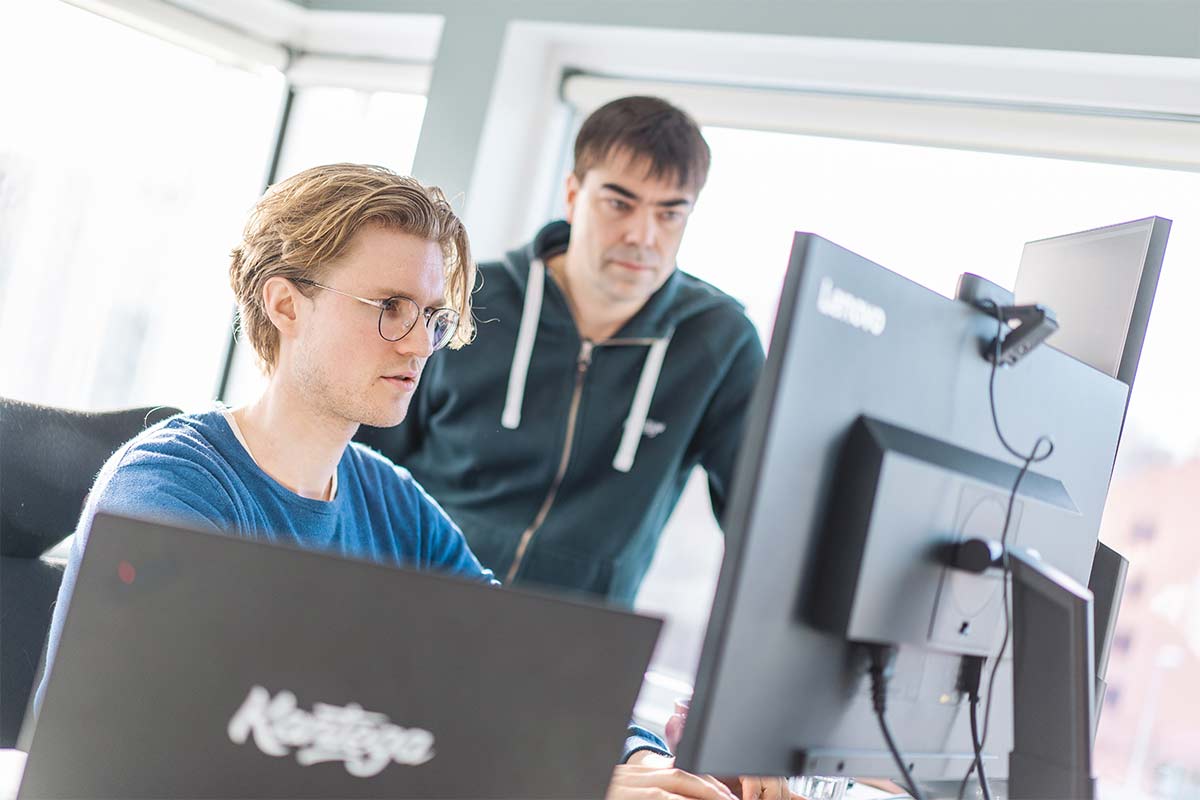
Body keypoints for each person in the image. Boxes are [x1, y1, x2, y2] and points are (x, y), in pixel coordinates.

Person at [31, 163, 779, 800]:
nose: (422, 344)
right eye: (390, 308)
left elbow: (523, 661)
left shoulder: (392, 502)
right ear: (286, 303)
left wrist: (638, 757)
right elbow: (244, 734)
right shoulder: (171, 484)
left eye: (432, 315)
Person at [357, 96, 766, 605]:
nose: (643, 236)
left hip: (576, 642)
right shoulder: (468, 298)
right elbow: (365, 458)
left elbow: (761, 522)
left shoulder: (719, 342)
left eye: (669, 214)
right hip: (415, 601)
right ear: (573, 195)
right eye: (620, 203)